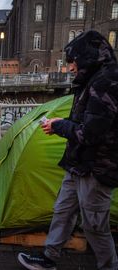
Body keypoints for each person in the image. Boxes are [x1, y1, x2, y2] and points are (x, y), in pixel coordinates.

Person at [18, 30, 118, 270]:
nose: (70, 67)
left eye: (72, 61)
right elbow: (84, 122)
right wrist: (60, 127)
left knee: (94, 224)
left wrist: (59, 125)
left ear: (86, 58)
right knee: (63, 210)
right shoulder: (91, 80)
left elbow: (91, 134)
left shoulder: (107, 83)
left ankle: (109, 265)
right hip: (78, 163)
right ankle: (49, 258)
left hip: (97, 167)